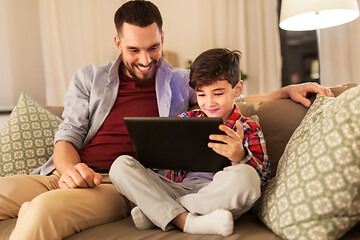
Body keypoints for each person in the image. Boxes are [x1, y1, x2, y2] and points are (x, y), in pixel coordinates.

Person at [0, 0, 334, 239]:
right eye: (133, 50)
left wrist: (284, 90)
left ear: (163, 39)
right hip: (64, 173)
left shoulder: (179, 82)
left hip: (111, 185)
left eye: (153, 47)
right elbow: (68, 133)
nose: (145, 59)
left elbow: (226, 99)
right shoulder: (89, 78)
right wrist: (68, 170)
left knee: (42, 212)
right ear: (118, 42)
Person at [109, 48, 269, 237]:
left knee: (247, 177)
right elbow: (163, 168)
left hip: (217, 191)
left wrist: (240, 156)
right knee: (120, 166)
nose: (209, 102)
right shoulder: (185, 119)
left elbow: (261, 179)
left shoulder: (248, 127)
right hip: (176, 188)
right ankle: (187, 219)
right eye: (201, 95)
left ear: (237, 89)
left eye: (217, 93)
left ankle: (160, 213)